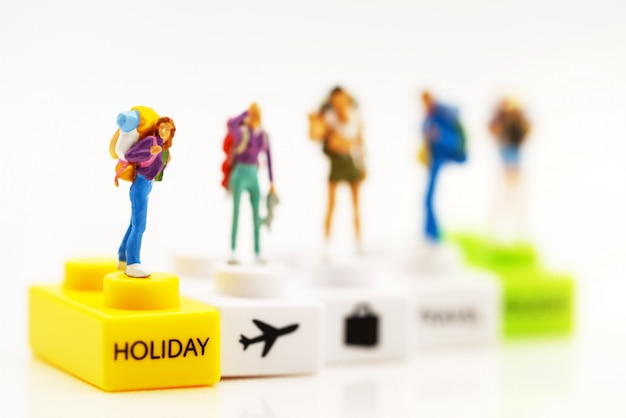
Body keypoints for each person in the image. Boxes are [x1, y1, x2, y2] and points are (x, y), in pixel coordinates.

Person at [111, 107, 176, 278]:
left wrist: (165, 160)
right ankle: (133, 263)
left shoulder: (163, 148)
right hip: (139, 186)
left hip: (147, 186)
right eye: (162, 128)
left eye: (168, 130)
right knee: (140, 225)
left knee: (134, 223)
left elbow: (157, 168)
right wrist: (149, 151)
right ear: (157, 129)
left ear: (172, 133)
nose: (164, 132)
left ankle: (123, 257)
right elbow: (130, 155)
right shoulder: (151, 142)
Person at [309, 86, 365, 251]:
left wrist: (363, 164)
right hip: (336, 164)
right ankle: (326, 243)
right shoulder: (329, 119)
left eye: (343, 98)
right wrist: (314, 122)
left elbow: (359, 143)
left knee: (356, 206)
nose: (341, 102)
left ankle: (359, 242)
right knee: (331, 205)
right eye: (337, 99)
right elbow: (316, 136)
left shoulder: (355, 118)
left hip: (352, 163)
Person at [226, 103, 275, 264]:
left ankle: (257, 251)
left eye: (257, 115)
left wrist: (272, 181)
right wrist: (245, 113)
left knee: (256, 214)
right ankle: (233, 251)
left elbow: (269, 158)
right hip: (240, 174)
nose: (255, 118)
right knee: (236, 213)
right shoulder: (243, 133)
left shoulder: (263, 136)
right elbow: (231, 125)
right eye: (253, 115)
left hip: (253, 175)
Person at [419, 91, 467, 243]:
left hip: (440, 161)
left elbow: (452, 141)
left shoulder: (442, 116)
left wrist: (438, 136)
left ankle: (433, 235)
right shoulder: (429, 116)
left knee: (428, 199)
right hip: (432, 161)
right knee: (427, 199)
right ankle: (428, 234)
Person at [489, 98, 531, 184]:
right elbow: (493, 128)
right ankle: (509, 181)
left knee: (514, 167)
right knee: (506, 167)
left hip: (514, 145)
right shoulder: (501, 117)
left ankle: (514, 182)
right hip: (506, 145)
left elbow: (525, 129)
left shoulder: (518, 117)